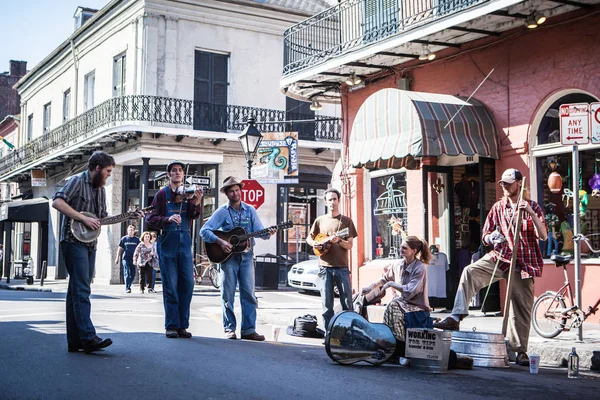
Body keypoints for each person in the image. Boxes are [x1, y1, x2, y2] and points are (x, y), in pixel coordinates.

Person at [433, 168, 547, 367]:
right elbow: (486, 234)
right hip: (501, 257)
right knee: (470, 272)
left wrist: (528, 212)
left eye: (508, 183)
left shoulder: (532, 207)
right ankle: (456, 315)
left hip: (523, 263)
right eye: (502, 183)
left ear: (519, 184)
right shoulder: (498, 207)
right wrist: (491, 237)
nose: (504, 186)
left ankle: (518, 351)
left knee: (520, 308)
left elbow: (543, 235)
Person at [52, 151, 143, 353]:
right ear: (98, 168)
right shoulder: (77, 181)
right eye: (108, 171)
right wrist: (82, 218)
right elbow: (57, 202)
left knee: (75, 290)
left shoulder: (100, 190)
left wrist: (129, 216)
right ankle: (88, 337)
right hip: (72, 240)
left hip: (90, 243)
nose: (109, 175)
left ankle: (74, 340)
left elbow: (102, 219)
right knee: (82, 289)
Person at [200, 176, 276, 341]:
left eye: (237, 190)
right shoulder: (222, 212)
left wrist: (268, 233)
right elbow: (204, 231)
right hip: (228, 259)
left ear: (241, 191)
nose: (235, 193)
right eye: (232, 191)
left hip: (247, 257)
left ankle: (249, 330)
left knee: (249, 293)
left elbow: (260, 231)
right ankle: (229, 329)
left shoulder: (250, 210)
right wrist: (220, 242)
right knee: (227, 294)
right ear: (227, 194)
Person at [146, 160, 203, 339]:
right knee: (170, 285)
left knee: (187, 284)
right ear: (168, 174)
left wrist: (198, 202)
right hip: (168, 243)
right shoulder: (162, 194)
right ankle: (171, 325)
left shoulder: (189, 192)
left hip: (185, 244)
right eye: (174, 171)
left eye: (180, 171)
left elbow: (193, 215)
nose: (177, 173)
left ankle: (182, 326)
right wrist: (167, 220)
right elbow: (150, 217)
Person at [360, 236, 433, 359]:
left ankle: (400, 347)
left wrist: (392, 284)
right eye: (401, 247)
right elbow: (384, 278)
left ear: (413, 251)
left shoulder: (420, 267)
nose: (401, 250)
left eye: (404, 248)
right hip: (402, 303)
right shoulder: (398, 264)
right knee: (392, 306)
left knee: (393, 306)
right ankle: (388, 345)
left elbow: (411, 291)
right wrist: (370, 288)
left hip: (417, 306)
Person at [306, 188, 357, 333]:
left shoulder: (346, 221)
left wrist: (339, 240)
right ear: (325, 202)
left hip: (341, 267)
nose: (332, 202)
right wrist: (313, 243)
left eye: (335, 199)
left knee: (347, 302)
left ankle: (349, 332)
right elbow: (310, 238)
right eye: (329, 199)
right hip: (324, 267)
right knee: (326, 304)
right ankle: (329, 334)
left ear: (339, 201)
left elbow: (349, 245)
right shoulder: (320, 220)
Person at [115, 225, 140, 293]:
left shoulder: (137, 240)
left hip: (134, 259)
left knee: (133, 273)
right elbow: (120, 249)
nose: (130, 231)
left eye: (132, 230)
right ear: (127, 231)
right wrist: (117, 257)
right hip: (125, 258)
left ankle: (129, 284)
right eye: (129, 230)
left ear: (134, 231)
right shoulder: (124, 239)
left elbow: (140, 249)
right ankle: (127, 287)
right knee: (127, 272)